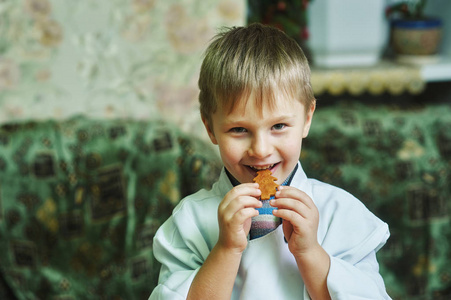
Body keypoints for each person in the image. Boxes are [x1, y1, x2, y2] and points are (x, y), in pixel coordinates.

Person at [150, 23, 391, 300]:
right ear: (210, 128)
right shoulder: (189, 222)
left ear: (307, 118)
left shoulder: (341, 214)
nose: (261, 150)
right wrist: (226, 249)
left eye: (278, 126)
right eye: (239, 129)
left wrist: (310, 252)